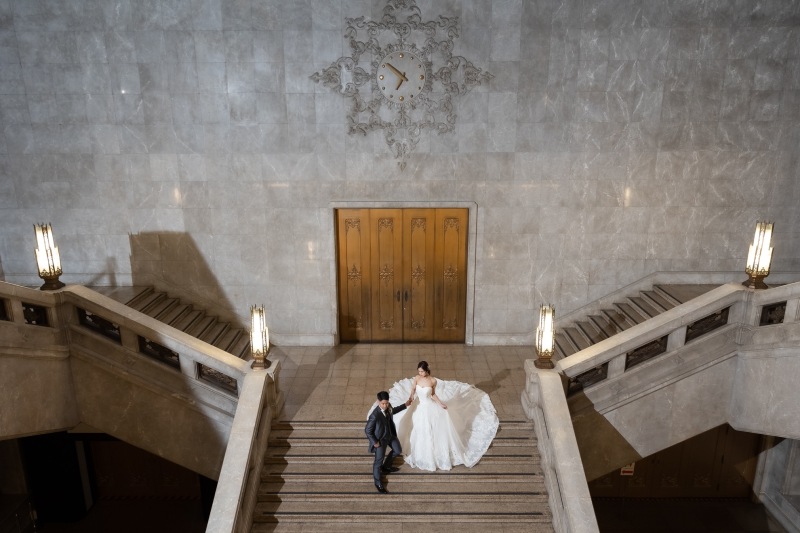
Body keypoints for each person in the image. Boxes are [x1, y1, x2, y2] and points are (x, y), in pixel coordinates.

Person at [389, 360, 499, 471]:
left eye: (422, 371)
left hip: (429, 406)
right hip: (419, 405)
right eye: (419, 371)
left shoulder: (433, 381)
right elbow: (413, 388)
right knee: (417, 427)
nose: (420, 373)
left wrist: (440, 403)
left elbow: (433, 394)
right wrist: (411, 396)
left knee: (431, 428)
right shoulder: (417, 378)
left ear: (427, 370)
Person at [364, 391, 411, 493]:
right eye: (383, 403)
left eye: (386, 403)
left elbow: (393, 411)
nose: (385, 406)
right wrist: (375, 442)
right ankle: (378, 483)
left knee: (397, 450)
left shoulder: (388, 407)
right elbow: (367, 430)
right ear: (378, 401)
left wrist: (405, 405)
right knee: (378, 461)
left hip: (390, 435)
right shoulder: (374, 415)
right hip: (380, 440)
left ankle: (386, 466)